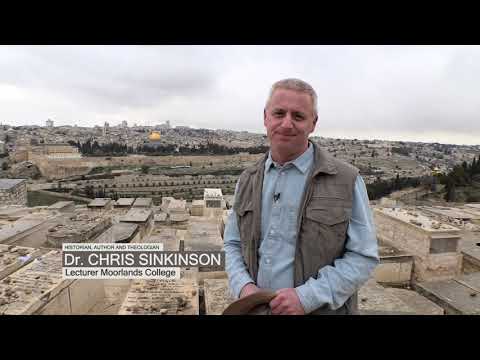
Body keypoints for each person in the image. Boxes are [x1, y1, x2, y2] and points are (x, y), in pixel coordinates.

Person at [223, 78, 379, 315]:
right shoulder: (247, 180)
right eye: (279, 113)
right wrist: (245, 288)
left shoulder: (346, 180)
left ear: (313, 123)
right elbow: (233, 243)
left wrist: (306, 298)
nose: (286, 124)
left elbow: (363, 256)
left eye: (298, 116)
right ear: (266, 117)